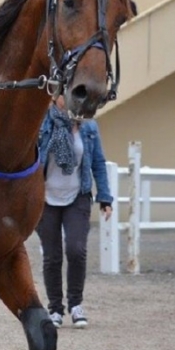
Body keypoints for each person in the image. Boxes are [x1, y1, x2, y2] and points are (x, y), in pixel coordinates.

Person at [36, 95, 113, 328]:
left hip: (78, 196)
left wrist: (105, 198)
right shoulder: (41, 122)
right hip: (45, 198)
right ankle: (55, 308)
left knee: (76, 250)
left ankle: (76, 304)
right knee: (52, 256)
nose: (68, 99)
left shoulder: (88, 126)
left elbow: (98, 163)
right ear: (54, 97)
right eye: (63, 94)